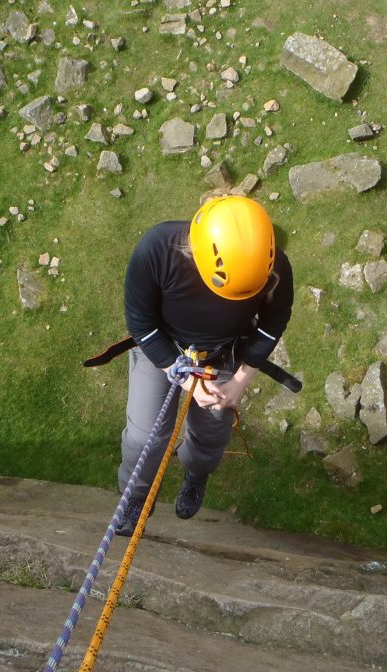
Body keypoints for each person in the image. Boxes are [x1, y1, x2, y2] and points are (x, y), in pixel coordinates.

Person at [116, 195, 294, 536]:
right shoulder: (157, 251)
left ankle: (196, 473)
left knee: (211, 436)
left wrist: (241, 380)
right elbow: (141, 324)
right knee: (144, 438)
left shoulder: (272, 267)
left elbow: (272, 324)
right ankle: (137, 495)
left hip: (223, 356)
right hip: (163, 349)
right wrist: (187, 382)